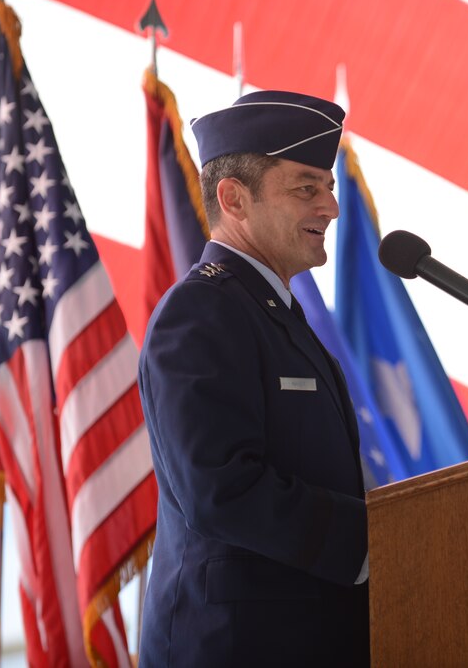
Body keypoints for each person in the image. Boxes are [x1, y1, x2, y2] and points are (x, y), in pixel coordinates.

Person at [137, 90, 370, 666]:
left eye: (330, 188)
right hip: (230, 646)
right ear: (233, 199)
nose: (331, 208)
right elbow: (221, 488)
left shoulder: (271, 312)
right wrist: (376, 540)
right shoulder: (201, 312)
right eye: (305, 189)